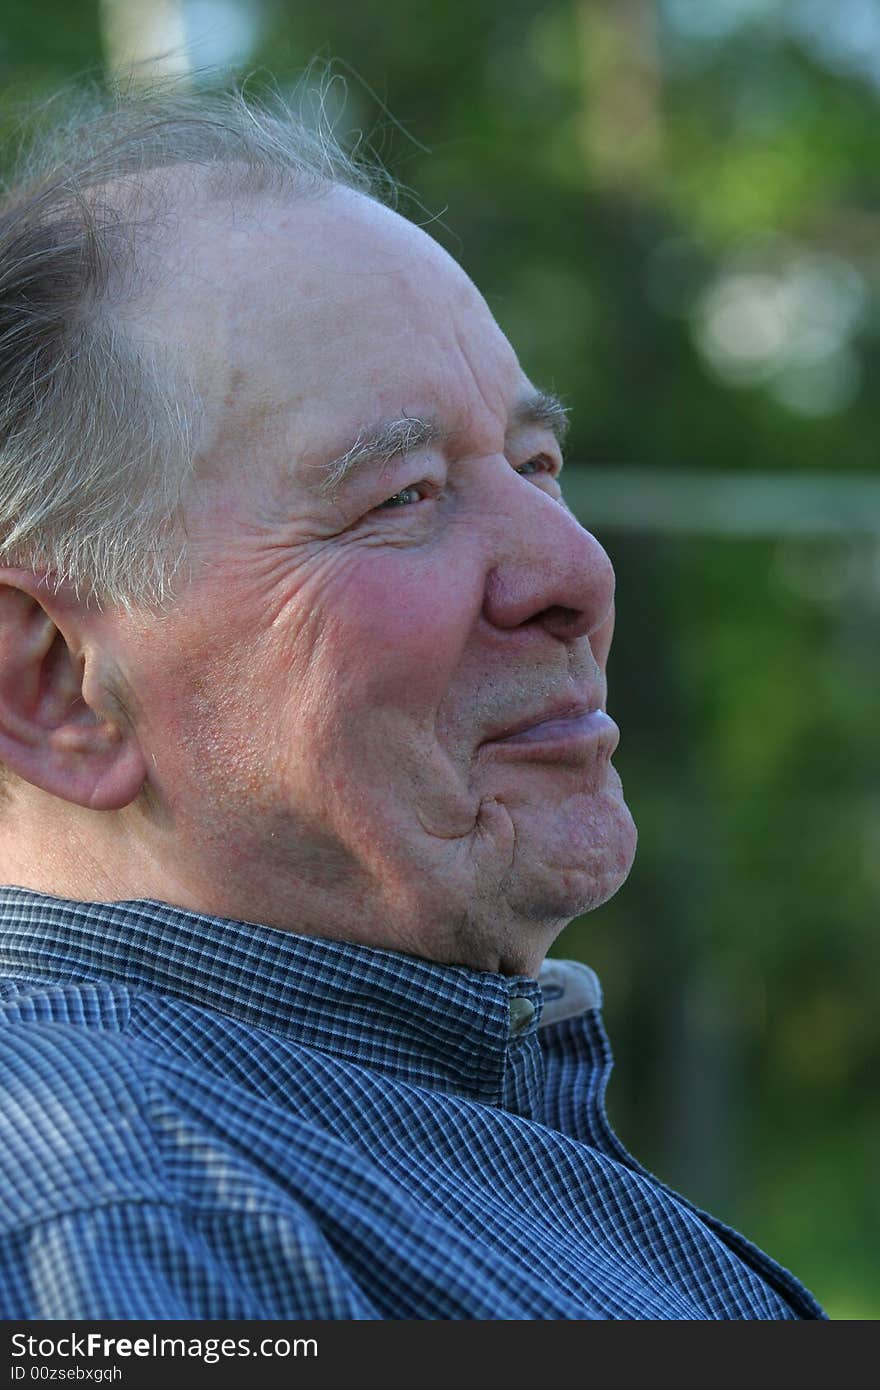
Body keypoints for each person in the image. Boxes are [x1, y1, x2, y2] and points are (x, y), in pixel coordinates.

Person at [0, 85, 825, 1321]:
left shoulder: (352, 1135)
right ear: (57, 684)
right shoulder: (125, 1206)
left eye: (537, 463)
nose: (577, 572)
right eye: (402, 495)